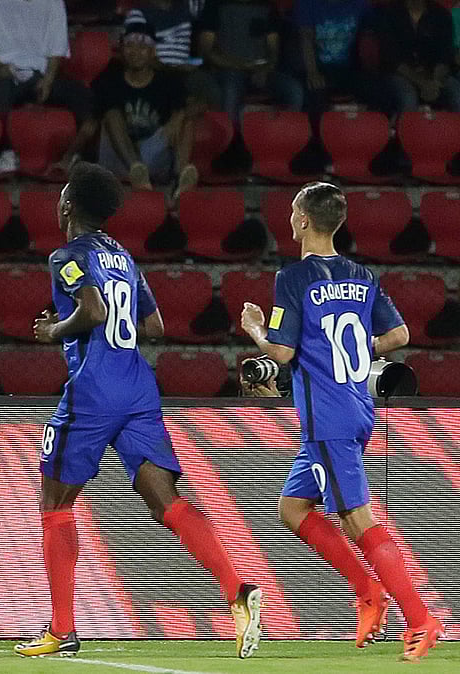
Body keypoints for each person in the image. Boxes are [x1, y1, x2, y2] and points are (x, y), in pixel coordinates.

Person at [15, 161, 262, 659]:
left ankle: (62, 630)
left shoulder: (67, 255)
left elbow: (94, 310)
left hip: (94, 389)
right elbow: (155, 326)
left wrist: (55, 331)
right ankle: (237, 588)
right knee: (163, 500)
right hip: (137, 387)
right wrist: (76, 320)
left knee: (55, 505)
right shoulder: (123, 258)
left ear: (67, 206)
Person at [239, 182, 442, 662]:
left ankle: (420, 618)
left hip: (328, 418)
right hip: (354, 408)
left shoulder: (292, 278)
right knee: (292, 509)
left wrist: (253, 329)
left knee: (357, 520)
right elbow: (398, 334)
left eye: (292, 211)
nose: (289, 217)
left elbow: (283, 351)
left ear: (305, 220)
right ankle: (368, 591)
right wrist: (352, 353)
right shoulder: (362, 276)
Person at [0, 0, 96, 173]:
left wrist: (48, 80)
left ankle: (74, 156)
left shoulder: (53, 3)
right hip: (5, 71)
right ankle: (3, 152)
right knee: (0, 93)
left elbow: (56, 49)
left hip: (40, 75)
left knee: (82, 96)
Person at [93, 23, 199, 198]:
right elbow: (92, 121)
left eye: (143, 47)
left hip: (151, 154)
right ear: (121, 49)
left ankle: (180, 179)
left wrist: (179, 117)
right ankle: (136, 170)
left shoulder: (167, 82)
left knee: (185, 119)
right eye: (130, 46)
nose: (135, 52)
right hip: (118, 158)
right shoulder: (109, 78)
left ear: (153, 52)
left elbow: (200, 103)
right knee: (111, 114)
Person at [197, 0, 305, 127]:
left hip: (261, 70)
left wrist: (265, 68)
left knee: (294, 91)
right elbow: (207, 50)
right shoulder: (216, 5)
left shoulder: (266, 6)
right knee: (231, 90)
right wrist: (240, 65)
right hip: (227, 70)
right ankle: (231, 140)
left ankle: (283, 138)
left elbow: (273, 49)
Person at [294, 0, 379, 122]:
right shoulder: (307, 3)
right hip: (318, 68)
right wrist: (312, 72)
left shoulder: (360, 4)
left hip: (350, 69)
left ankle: (368, 136)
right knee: (315, 93)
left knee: (377, 90)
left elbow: (371, 33)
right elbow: (305, 39)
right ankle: (319, 138)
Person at [372, 0, 460, 113]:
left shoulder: (441, 15)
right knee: (408, 97)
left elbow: (444, 56)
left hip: (433, 74)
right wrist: (422, 83)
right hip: (398, 74)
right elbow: (392, 59)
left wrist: (435, 82)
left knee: (456, 94)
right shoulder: (388, 14)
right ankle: (403, 129)